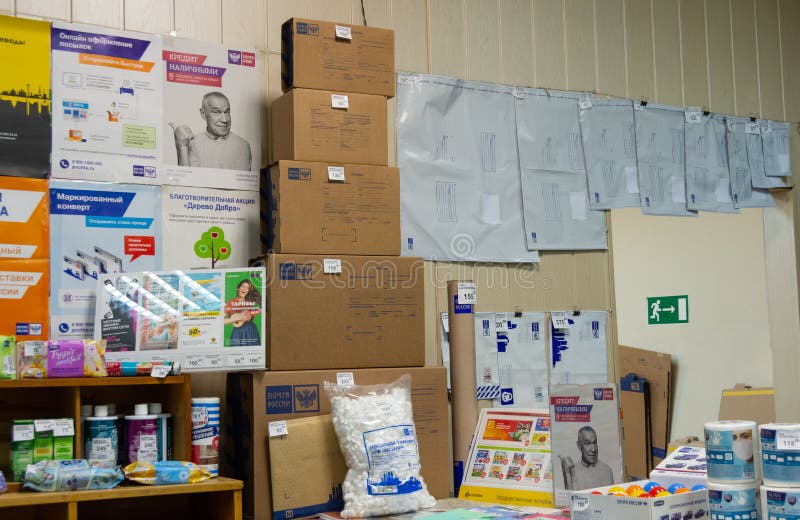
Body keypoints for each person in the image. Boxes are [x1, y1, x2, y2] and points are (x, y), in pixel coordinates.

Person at [171, 91, 252, 171]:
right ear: (203, 114)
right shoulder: (192, 143)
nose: (224, 120)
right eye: (216, 112)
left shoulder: (242, 145)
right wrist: (181, 147)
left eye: (227, 112)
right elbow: (187, 178)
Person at [561, 426, 614, 490]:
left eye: (594, 443)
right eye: (587, 444)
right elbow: (570, 496)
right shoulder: (572, 471)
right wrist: (567, 474)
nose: (593, 449)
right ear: (579, 446)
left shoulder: (606, 471)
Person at [224, 278, 261, 347]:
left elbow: (252, 314)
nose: (245, 289)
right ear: (238, 288)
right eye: (243, 286)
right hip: (238, 332)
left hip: (251, 330)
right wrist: (236, 318)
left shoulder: (250, 302)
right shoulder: (231, 303)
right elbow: (221, 321)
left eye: (247, 288)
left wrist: (250, 316)